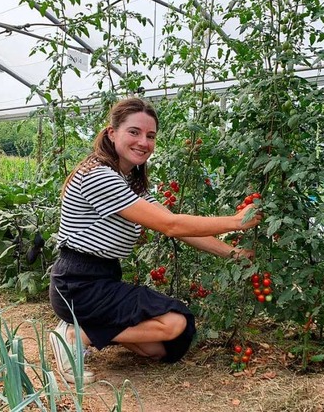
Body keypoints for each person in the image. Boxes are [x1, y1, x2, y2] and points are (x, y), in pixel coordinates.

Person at [48, 97, 262, 383]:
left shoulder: (126, 181)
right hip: (80, 284)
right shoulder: (99, 176)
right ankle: (76, 334)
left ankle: (83, 328)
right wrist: (237, 221)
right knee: (176, 323)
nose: (143, 142)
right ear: (112, 134)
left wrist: (232, 253)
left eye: (150, 136)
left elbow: (174, 224)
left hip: (101, 279)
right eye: (134, 132)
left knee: (158, 349)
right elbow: (171, 225)